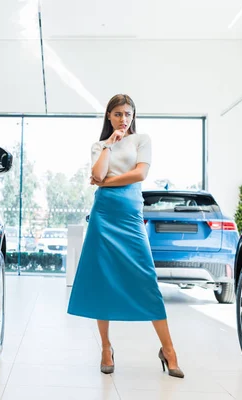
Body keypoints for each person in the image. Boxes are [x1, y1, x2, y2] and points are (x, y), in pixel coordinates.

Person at [66, 94, 184, 378]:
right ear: (109, 116)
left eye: (128, 114)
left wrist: (105, 182)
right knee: (102, 279)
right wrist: (109, 145)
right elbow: (97, 171)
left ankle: (168, 350)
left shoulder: (142, 140)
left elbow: (139, 175)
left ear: (133, 116)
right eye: (118, 114)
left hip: (130, 214)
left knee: (146, 278)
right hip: (103, 215)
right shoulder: (100, 145)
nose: (123, 119)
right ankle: (106, 348)